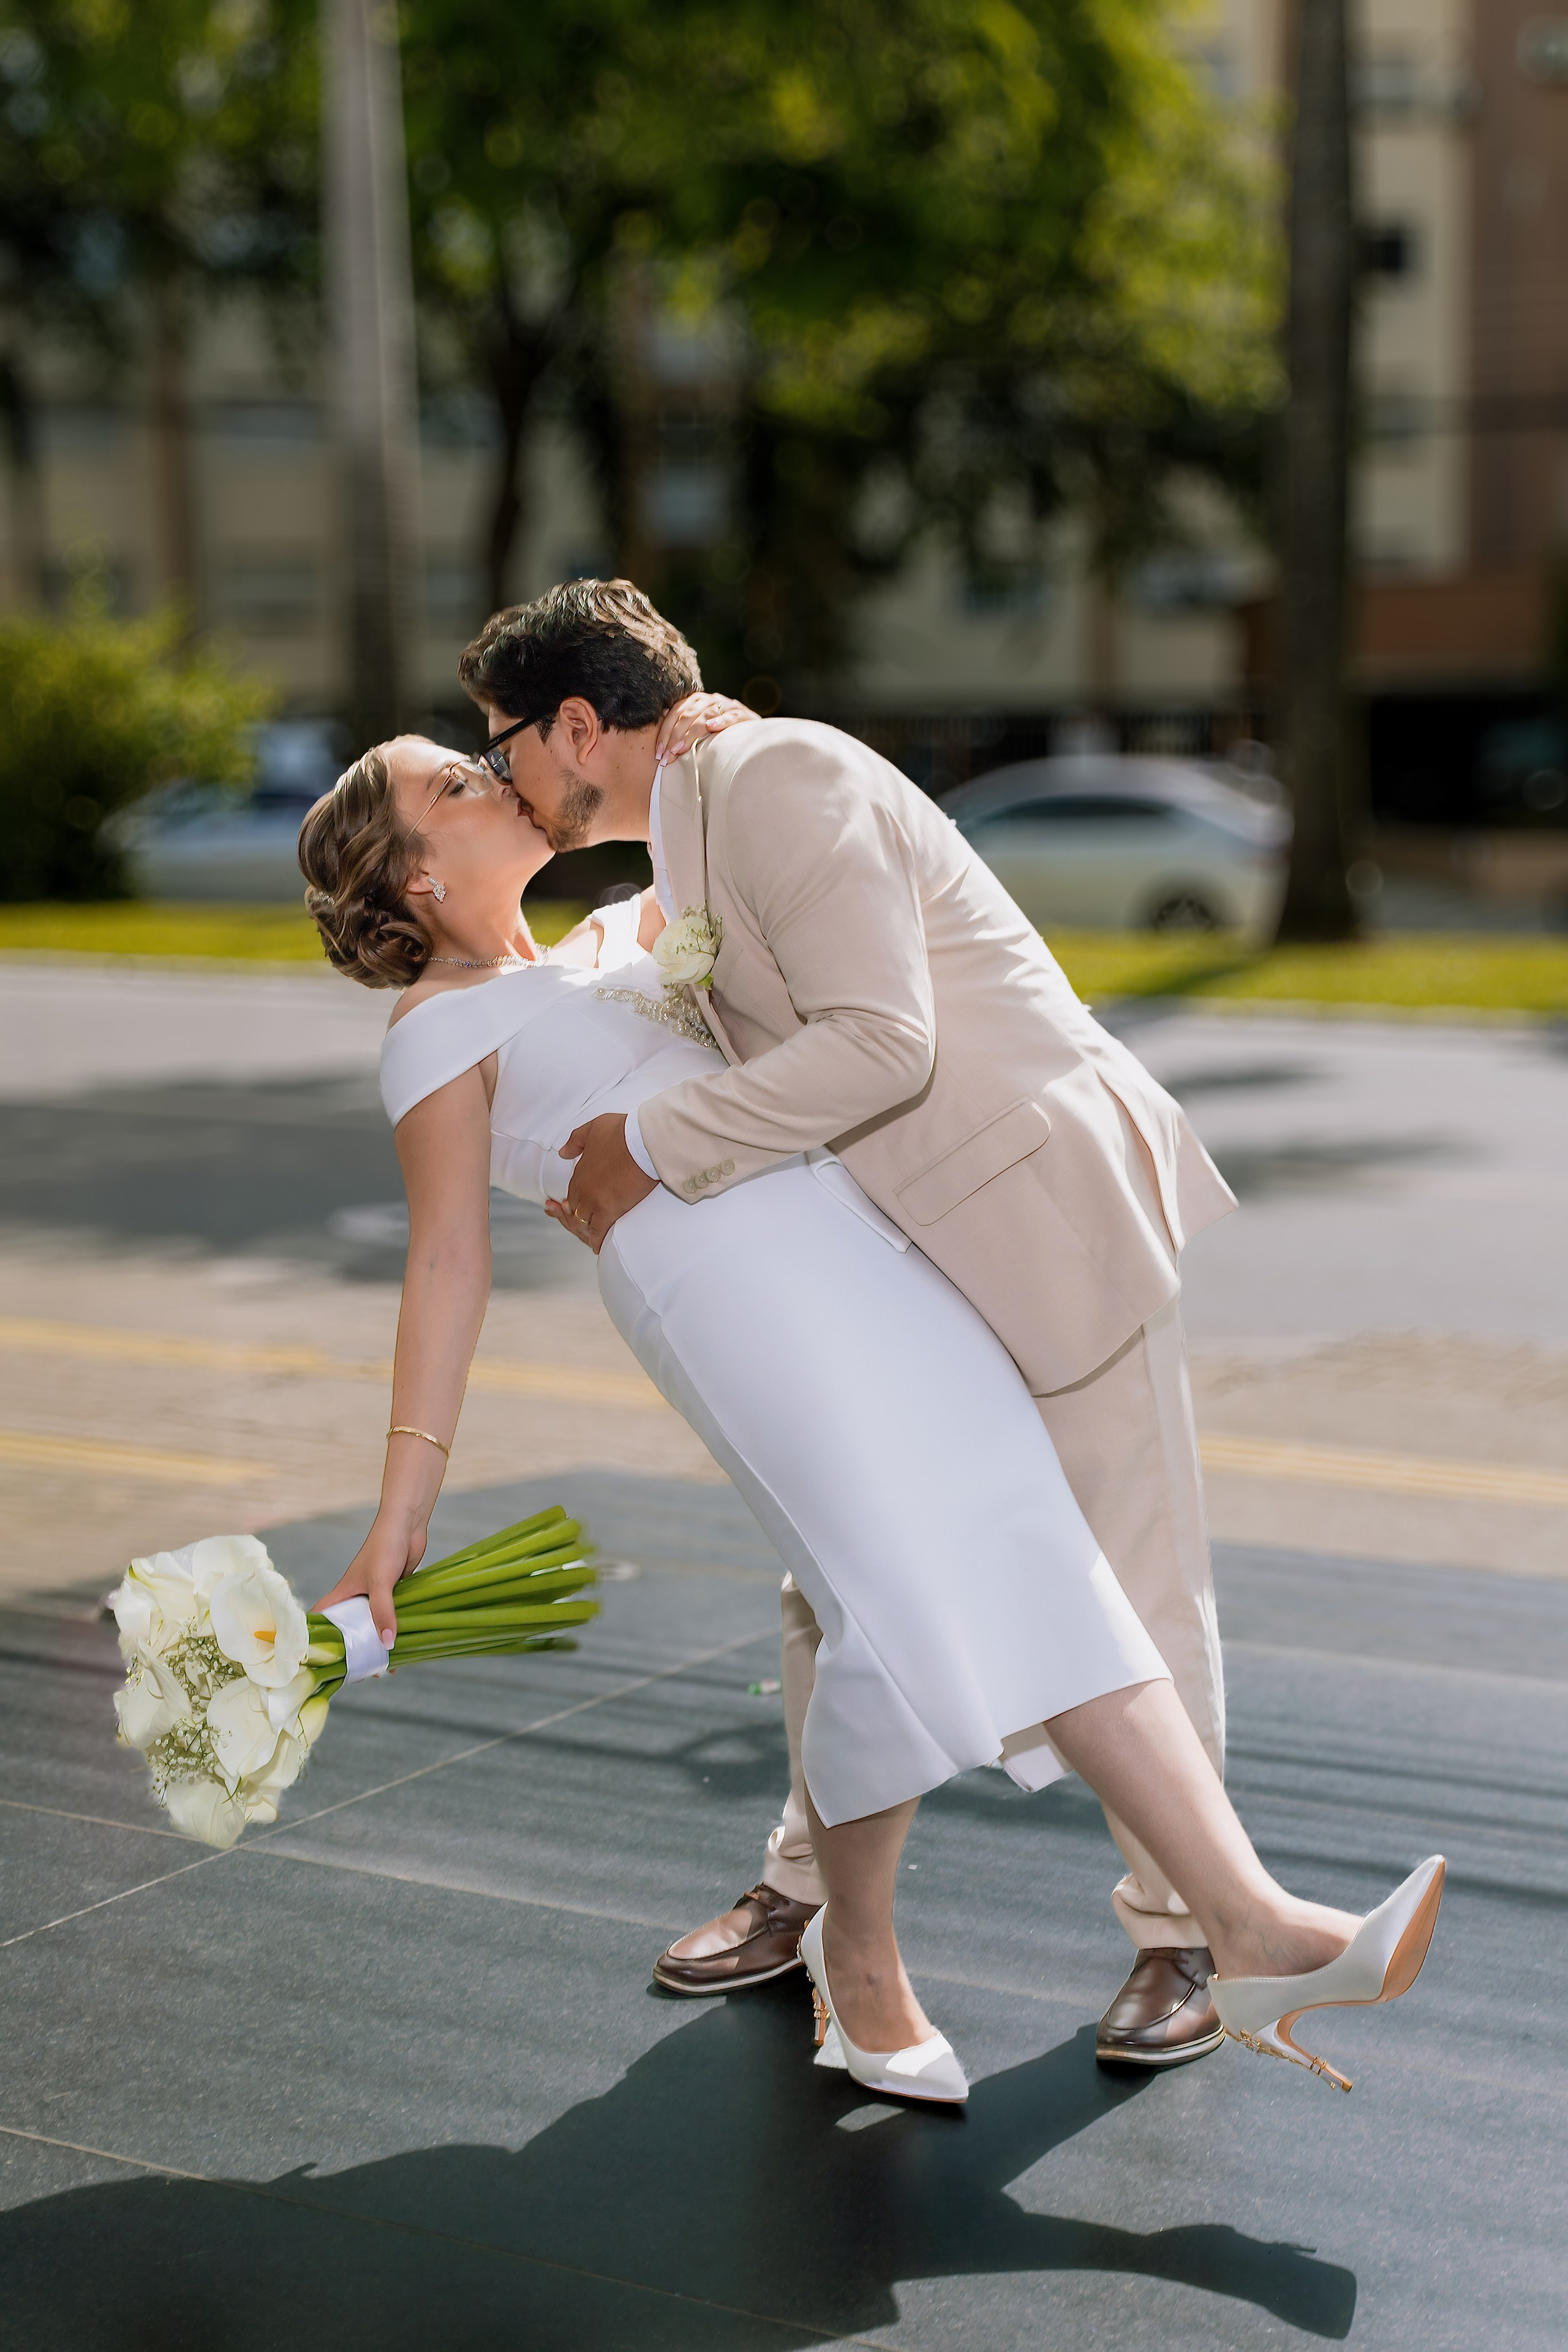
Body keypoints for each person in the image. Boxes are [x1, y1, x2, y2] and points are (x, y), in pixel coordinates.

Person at [298, 699, 1444, 2106]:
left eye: (489, 756)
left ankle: (1244, 1926)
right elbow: (444, 1261)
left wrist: (720, 724)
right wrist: (398, 1509)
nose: (495, 778)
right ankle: (873, 1960)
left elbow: (738, 839)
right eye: (459, 781)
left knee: (1034, 1547)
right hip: (731, 1307)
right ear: (418, 873)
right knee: (885, 1593)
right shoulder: (431, 1031)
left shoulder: (618, 937)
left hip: (870, 1261)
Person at [456, 581, 1231, 2069]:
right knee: (833, 1575)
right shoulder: (697, 817)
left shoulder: (778, 773)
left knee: (1130, 1570)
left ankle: (1184, 1933)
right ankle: (806, 1898)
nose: (503, 782)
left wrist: (652, 1146)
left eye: (504, 749)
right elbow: (646, 970)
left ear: (574, 724)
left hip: (1039, 1208)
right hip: (906, 1251)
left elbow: (882, 1042)